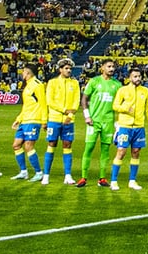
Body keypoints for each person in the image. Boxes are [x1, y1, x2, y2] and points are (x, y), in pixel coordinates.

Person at [110, 66, 148, 191]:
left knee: (136, 153)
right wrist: (125, 109)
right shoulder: (123, 90)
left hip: (139, 127)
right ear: (129, 78)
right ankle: (113, 181)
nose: (138, 78)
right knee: (121, 152)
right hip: (125, 126)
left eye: (139, 76)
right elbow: (115, 105)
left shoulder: (145, 91)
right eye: (135, 76)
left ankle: (132, 181)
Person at [79, 59, 122, 188]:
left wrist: (118, 122)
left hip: (108, 122)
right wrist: (87, 116)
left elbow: (121, 103)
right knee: (89, 148)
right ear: (102, 68)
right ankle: (83, 177)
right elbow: (84, 99)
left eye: (113, 66)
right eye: (109, 66)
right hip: (94, 121)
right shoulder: (94, 81)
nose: (111, 69)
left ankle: (102, 178)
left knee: (105, 151)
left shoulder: (118, 85)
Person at [42, 58, 80, 186]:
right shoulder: (52, 83)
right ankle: (46, 175)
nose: (69, 70)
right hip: (54, 119)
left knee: (67, 145)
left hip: (69, 120)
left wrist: (69, 115)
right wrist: (64, 110)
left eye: (70, 68)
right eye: (66, 68)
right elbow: (49, 101)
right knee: (51, 144)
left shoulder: (74, 84)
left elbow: (76, 101)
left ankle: (68, 175)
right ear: (60, 69)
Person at [11, 65, 47, 182]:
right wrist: (19, 118)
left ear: (28, 73)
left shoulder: (38, 85)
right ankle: (23, 172)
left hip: (33, 120)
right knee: (16, 145)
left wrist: (44, 121)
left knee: (28, 146)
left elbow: (43, 103)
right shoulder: (28, 86)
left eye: (24, 72)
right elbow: (26, 105)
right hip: (25, 120)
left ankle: (39, 173)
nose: (22, 74)